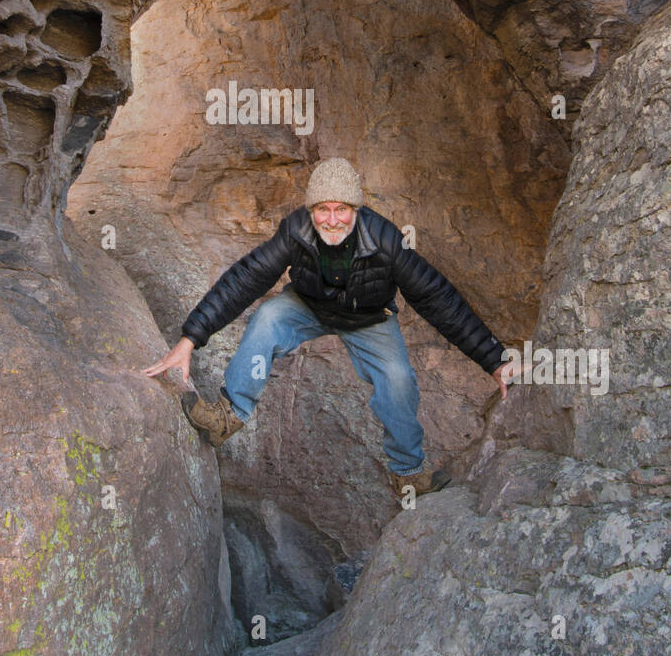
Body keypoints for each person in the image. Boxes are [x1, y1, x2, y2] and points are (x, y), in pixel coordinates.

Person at [143, 158, 513, 499]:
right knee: (268, 317)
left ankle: (408, 474)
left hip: (369, 316)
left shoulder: (386, 241)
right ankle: (228, 417)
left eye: (341, 209)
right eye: (322, 209)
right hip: (308, 305)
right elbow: (246, 279)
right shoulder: (295, 231)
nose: (331, 219)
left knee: (398, 380)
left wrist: (495, 360)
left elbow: (438, 298)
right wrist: (190, 339)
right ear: (311, 210)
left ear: (356, 209)